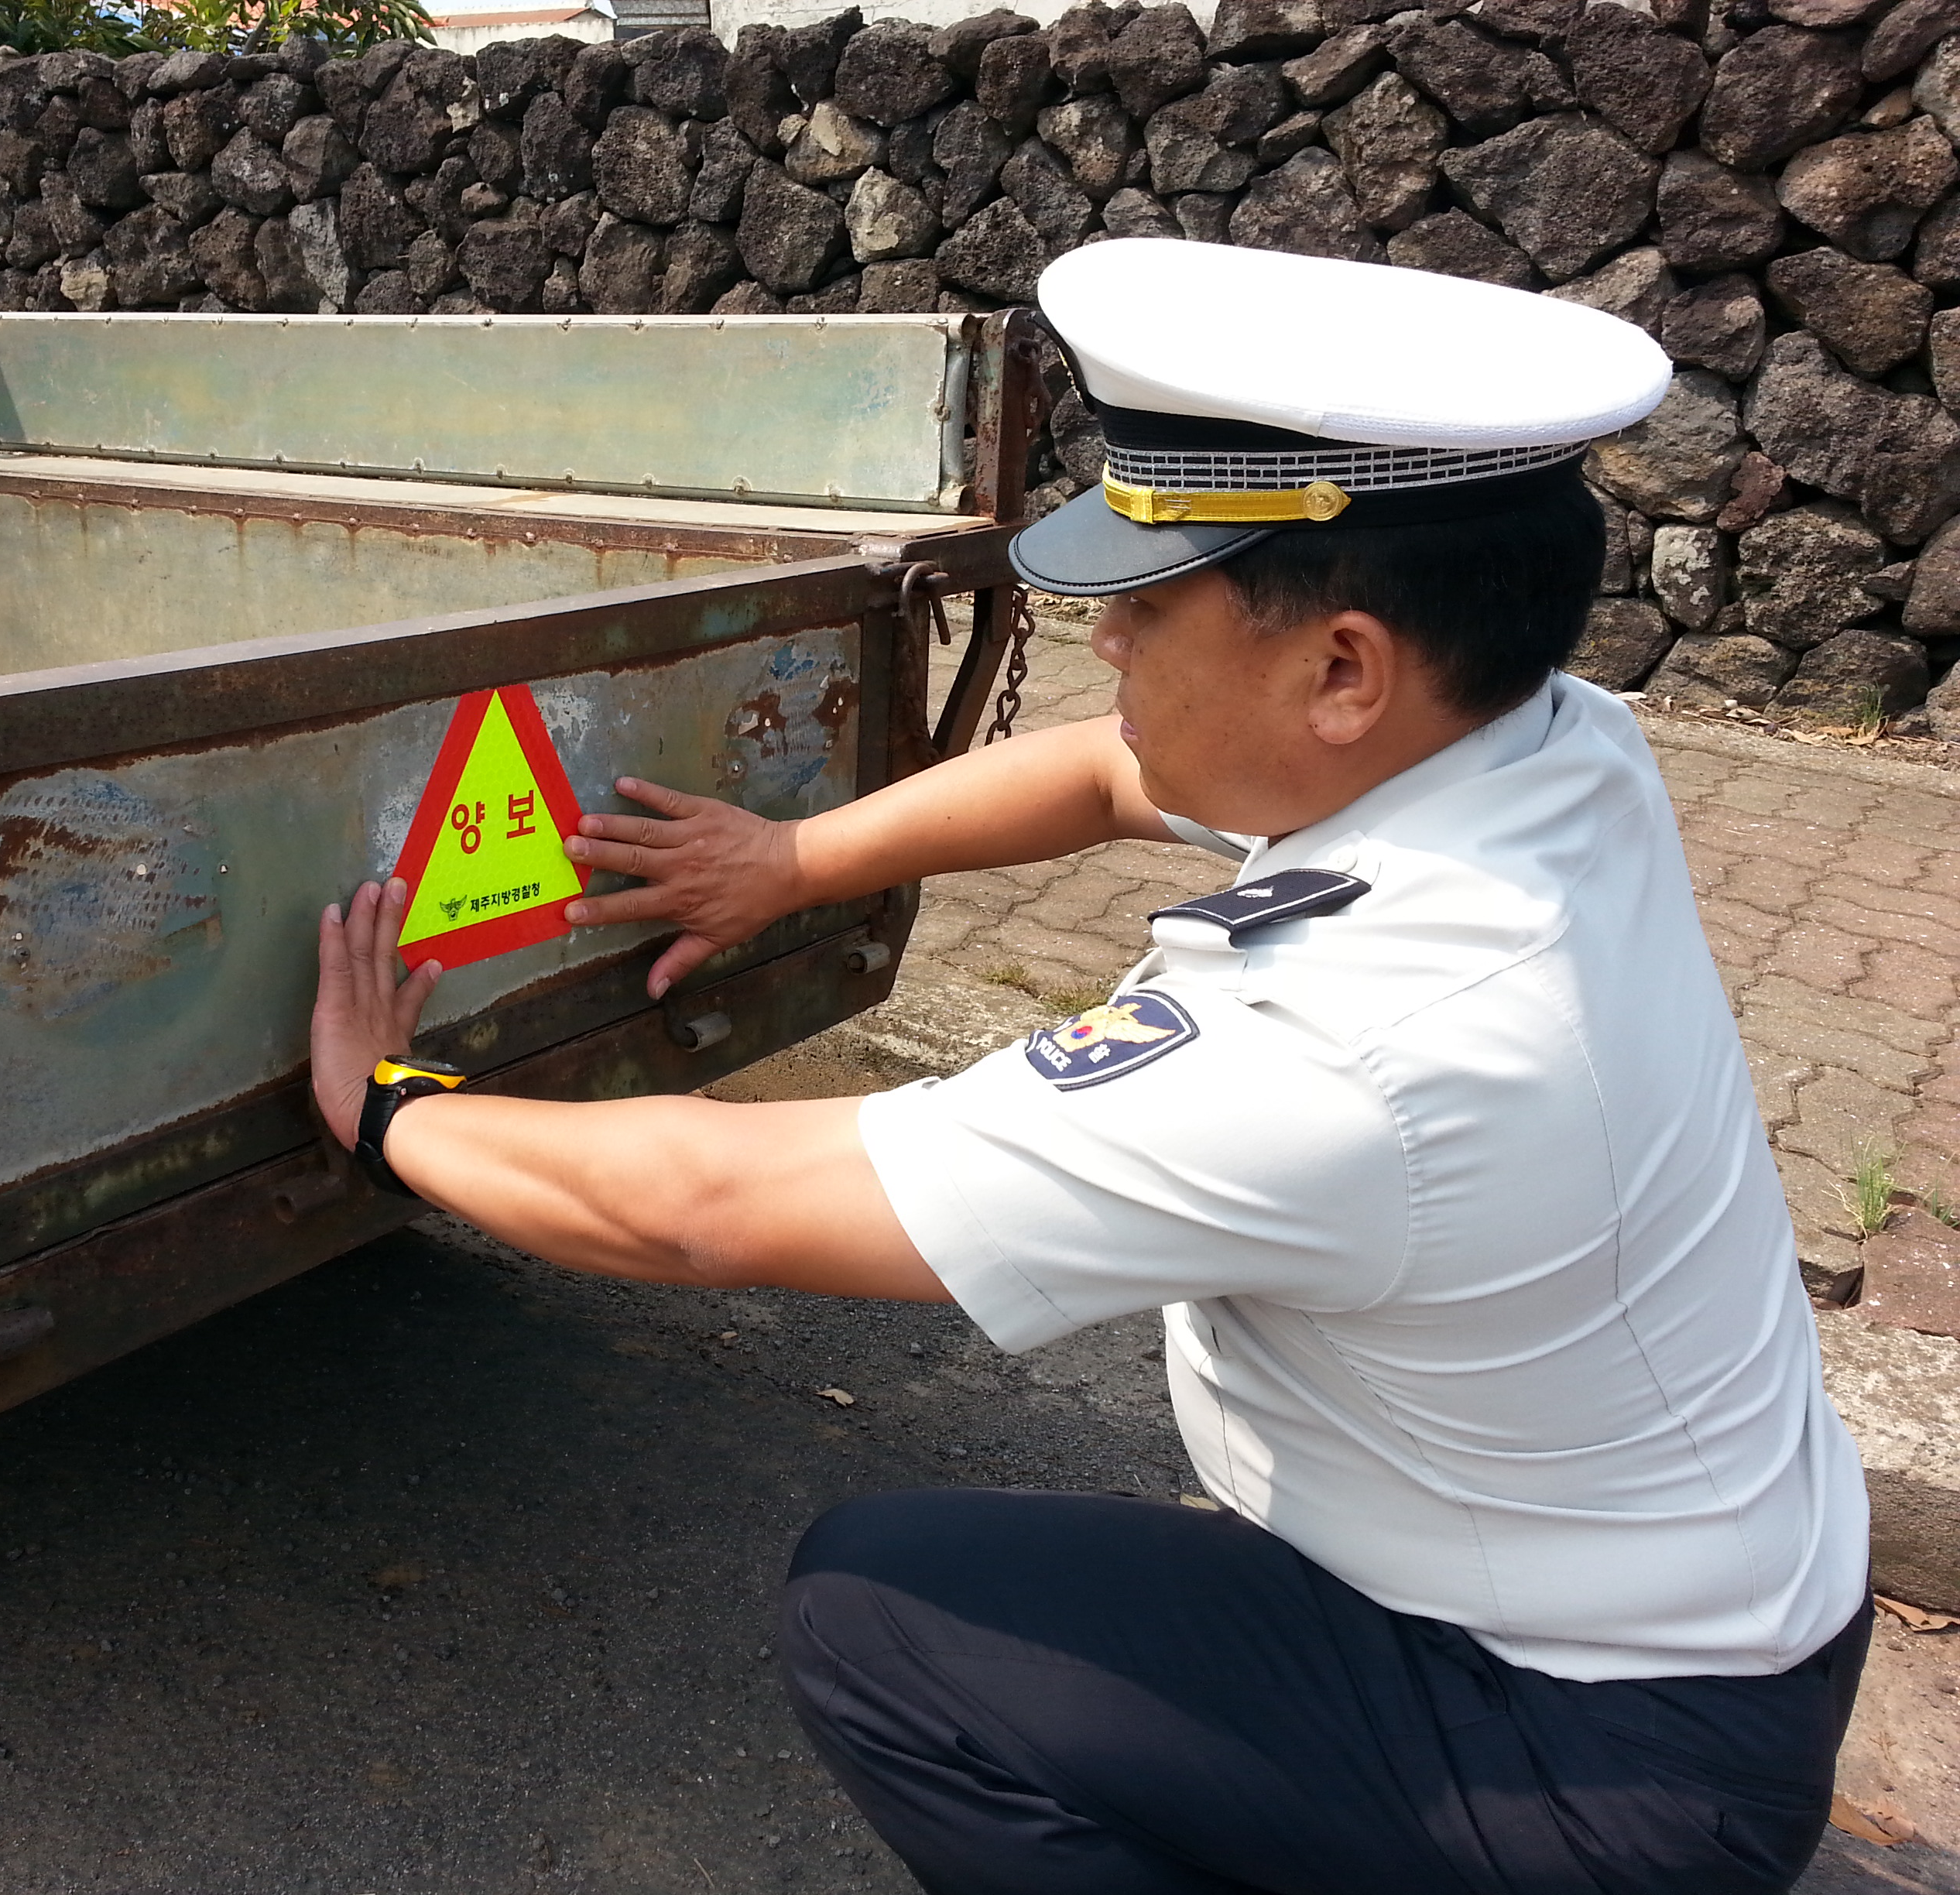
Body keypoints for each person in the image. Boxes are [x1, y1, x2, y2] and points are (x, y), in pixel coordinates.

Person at [307, 239, 1873, 1895]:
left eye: (1147, 603)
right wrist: (789, 865)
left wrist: (390, 1114)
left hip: (1600, 1766)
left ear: (1342, 667)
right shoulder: (1544, 751)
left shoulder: (1358, 1049)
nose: (1103, 641)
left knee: (885, 1618)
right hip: (1712, 1629)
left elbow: (711, 1205)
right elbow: (1111, 779)